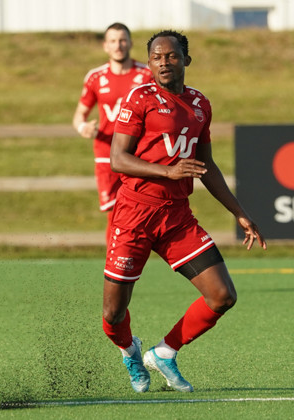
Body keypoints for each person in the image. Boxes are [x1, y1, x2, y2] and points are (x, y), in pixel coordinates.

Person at [103, 30, 266, 393]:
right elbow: (118, 159)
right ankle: (130, 350)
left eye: (171, 56)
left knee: (222, 295)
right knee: (113, 314)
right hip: (134, 215)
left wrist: (239, 212)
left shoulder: (200, 104)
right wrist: (168, 171)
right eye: (156, 57)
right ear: (149, 63)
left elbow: (206, 165)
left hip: (176, 217)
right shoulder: (140, 98)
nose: (163, 62)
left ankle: (164, 352)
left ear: (186, 60)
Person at [72, 22, 154, 243]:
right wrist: (83, 127)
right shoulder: (95, 77)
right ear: (105, 46)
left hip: (138, 154)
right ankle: (116, 258)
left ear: (130, 43)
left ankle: (129, 255)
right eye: (113, 41)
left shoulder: (146, 75)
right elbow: (79, 115)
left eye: (122, 40)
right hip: (106, 154)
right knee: (115, 211)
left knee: (138, 209)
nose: (118, 45)